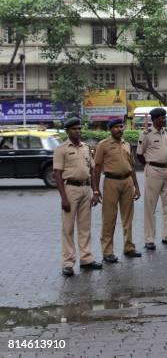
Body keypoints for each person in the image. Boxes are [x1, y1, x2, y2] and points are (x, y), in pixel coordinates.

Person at [53, 117, 103, 277]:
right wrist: (64, 198)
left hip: (85, 189)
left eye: (80, 128)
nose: (78, 131)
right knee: (68, 228)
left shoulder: (86, 148)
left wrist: (95, 192)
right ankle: (68, 263)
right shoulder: (61, 149)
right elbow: (57, 174)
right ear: (68, 131)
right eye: (75, 129)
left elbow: (93, 171)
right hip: (70, 189)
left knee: (85, 227)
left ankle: (86, 259)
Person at [93, 118, 142, 263]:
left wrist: (136, 186)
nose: (120, 129)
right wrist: (95, 189)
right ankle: (107, 251)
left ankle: (129, 247)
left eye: (121, 127)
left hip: (127, 182)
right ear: (110, 129)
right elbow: (96, 168)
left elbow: (132, 166)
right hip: (111, 182)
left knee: (128, 217)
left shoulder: (126, 144)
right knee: (109, 218)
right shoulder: (103, 145)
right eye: (116, 127)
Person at [136, 107, 167, 250]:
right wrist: (151, 165)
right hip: (153, 171)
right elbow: (139, 154)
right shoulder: (146, 134)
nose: (164, 120)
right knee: (150, 206)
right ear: (154, 119)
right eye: (162, 118)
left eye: (164, 117)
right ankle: (149, 239)